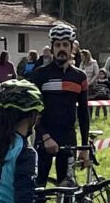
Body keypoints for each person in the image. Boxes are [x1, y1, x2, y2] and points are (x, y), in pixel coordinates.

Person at [30, 24, 95, 186]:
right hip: (44, 136)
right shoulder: (40, 74)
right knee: (37, 188)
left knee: (66, 187)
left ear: (72, 48)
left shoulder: (79, 77)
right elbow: (33, 111)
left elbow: (83, 113)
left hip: (68, 137)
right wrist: (45, 136)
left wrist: (84, 148)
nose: (61, 49)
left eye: (65, 45)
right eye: (57, 45)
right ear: (52, 48)